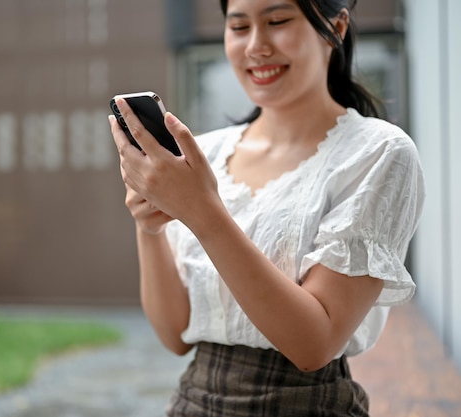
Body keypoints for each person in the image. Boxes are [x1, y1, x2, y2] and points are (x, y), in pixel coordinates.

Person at [108, 0, 425, 415]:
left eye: (277, 21)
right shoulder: (207, 154)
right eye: (238, 27)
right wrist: (148, 226)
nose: (256, 46)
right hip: (192, 403)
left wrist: (203, 212)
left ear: (337, 26)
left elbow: (313, 344)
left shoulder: (379, 153)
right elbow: (176, 335)